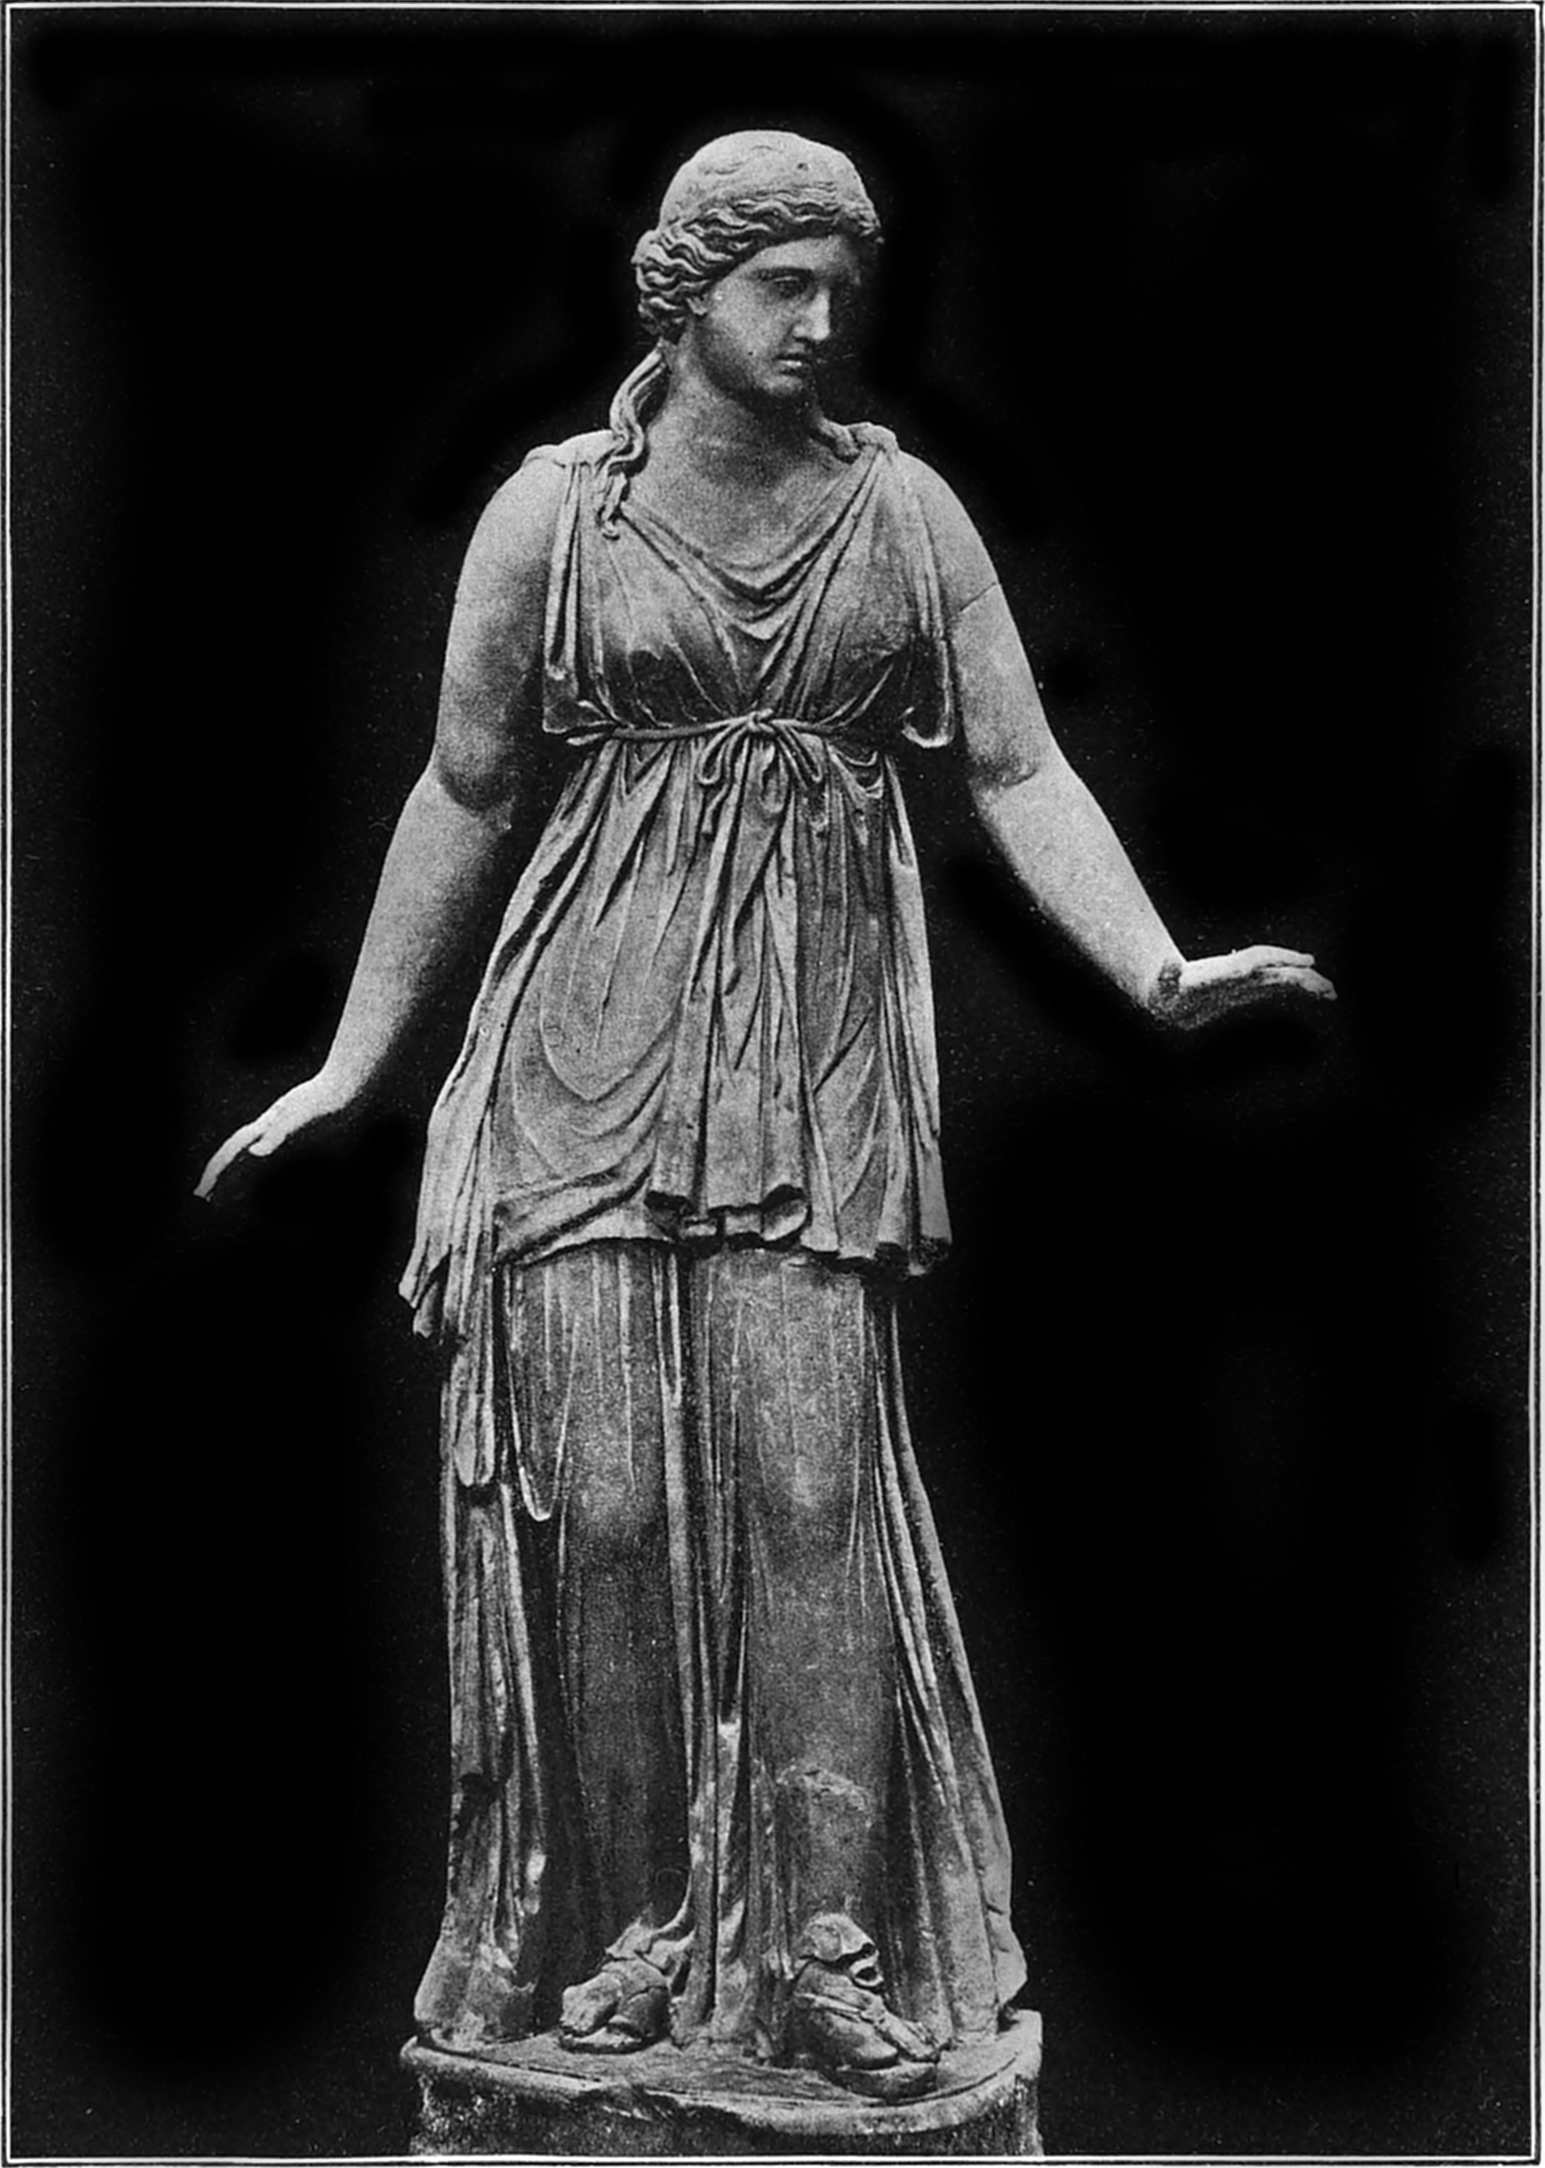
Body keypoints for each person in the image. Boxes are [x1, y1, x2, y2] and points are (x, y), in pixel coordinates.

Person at [198, 131, 1333, 2101]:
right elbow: (464, 791)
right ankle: (641, 1928)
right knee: (608, 1515)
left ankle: (817, 1949)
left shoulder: (900, 511)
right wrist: (354, 1066)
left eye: (838, 289)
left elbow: (1018, 765)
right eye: (778, 285)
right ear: (681, 291)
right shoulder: (553, 514)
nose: (819, 323)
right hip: (578, 1048)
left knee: (810, 1502)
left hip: (808, 1073)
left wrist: (1153, 970)